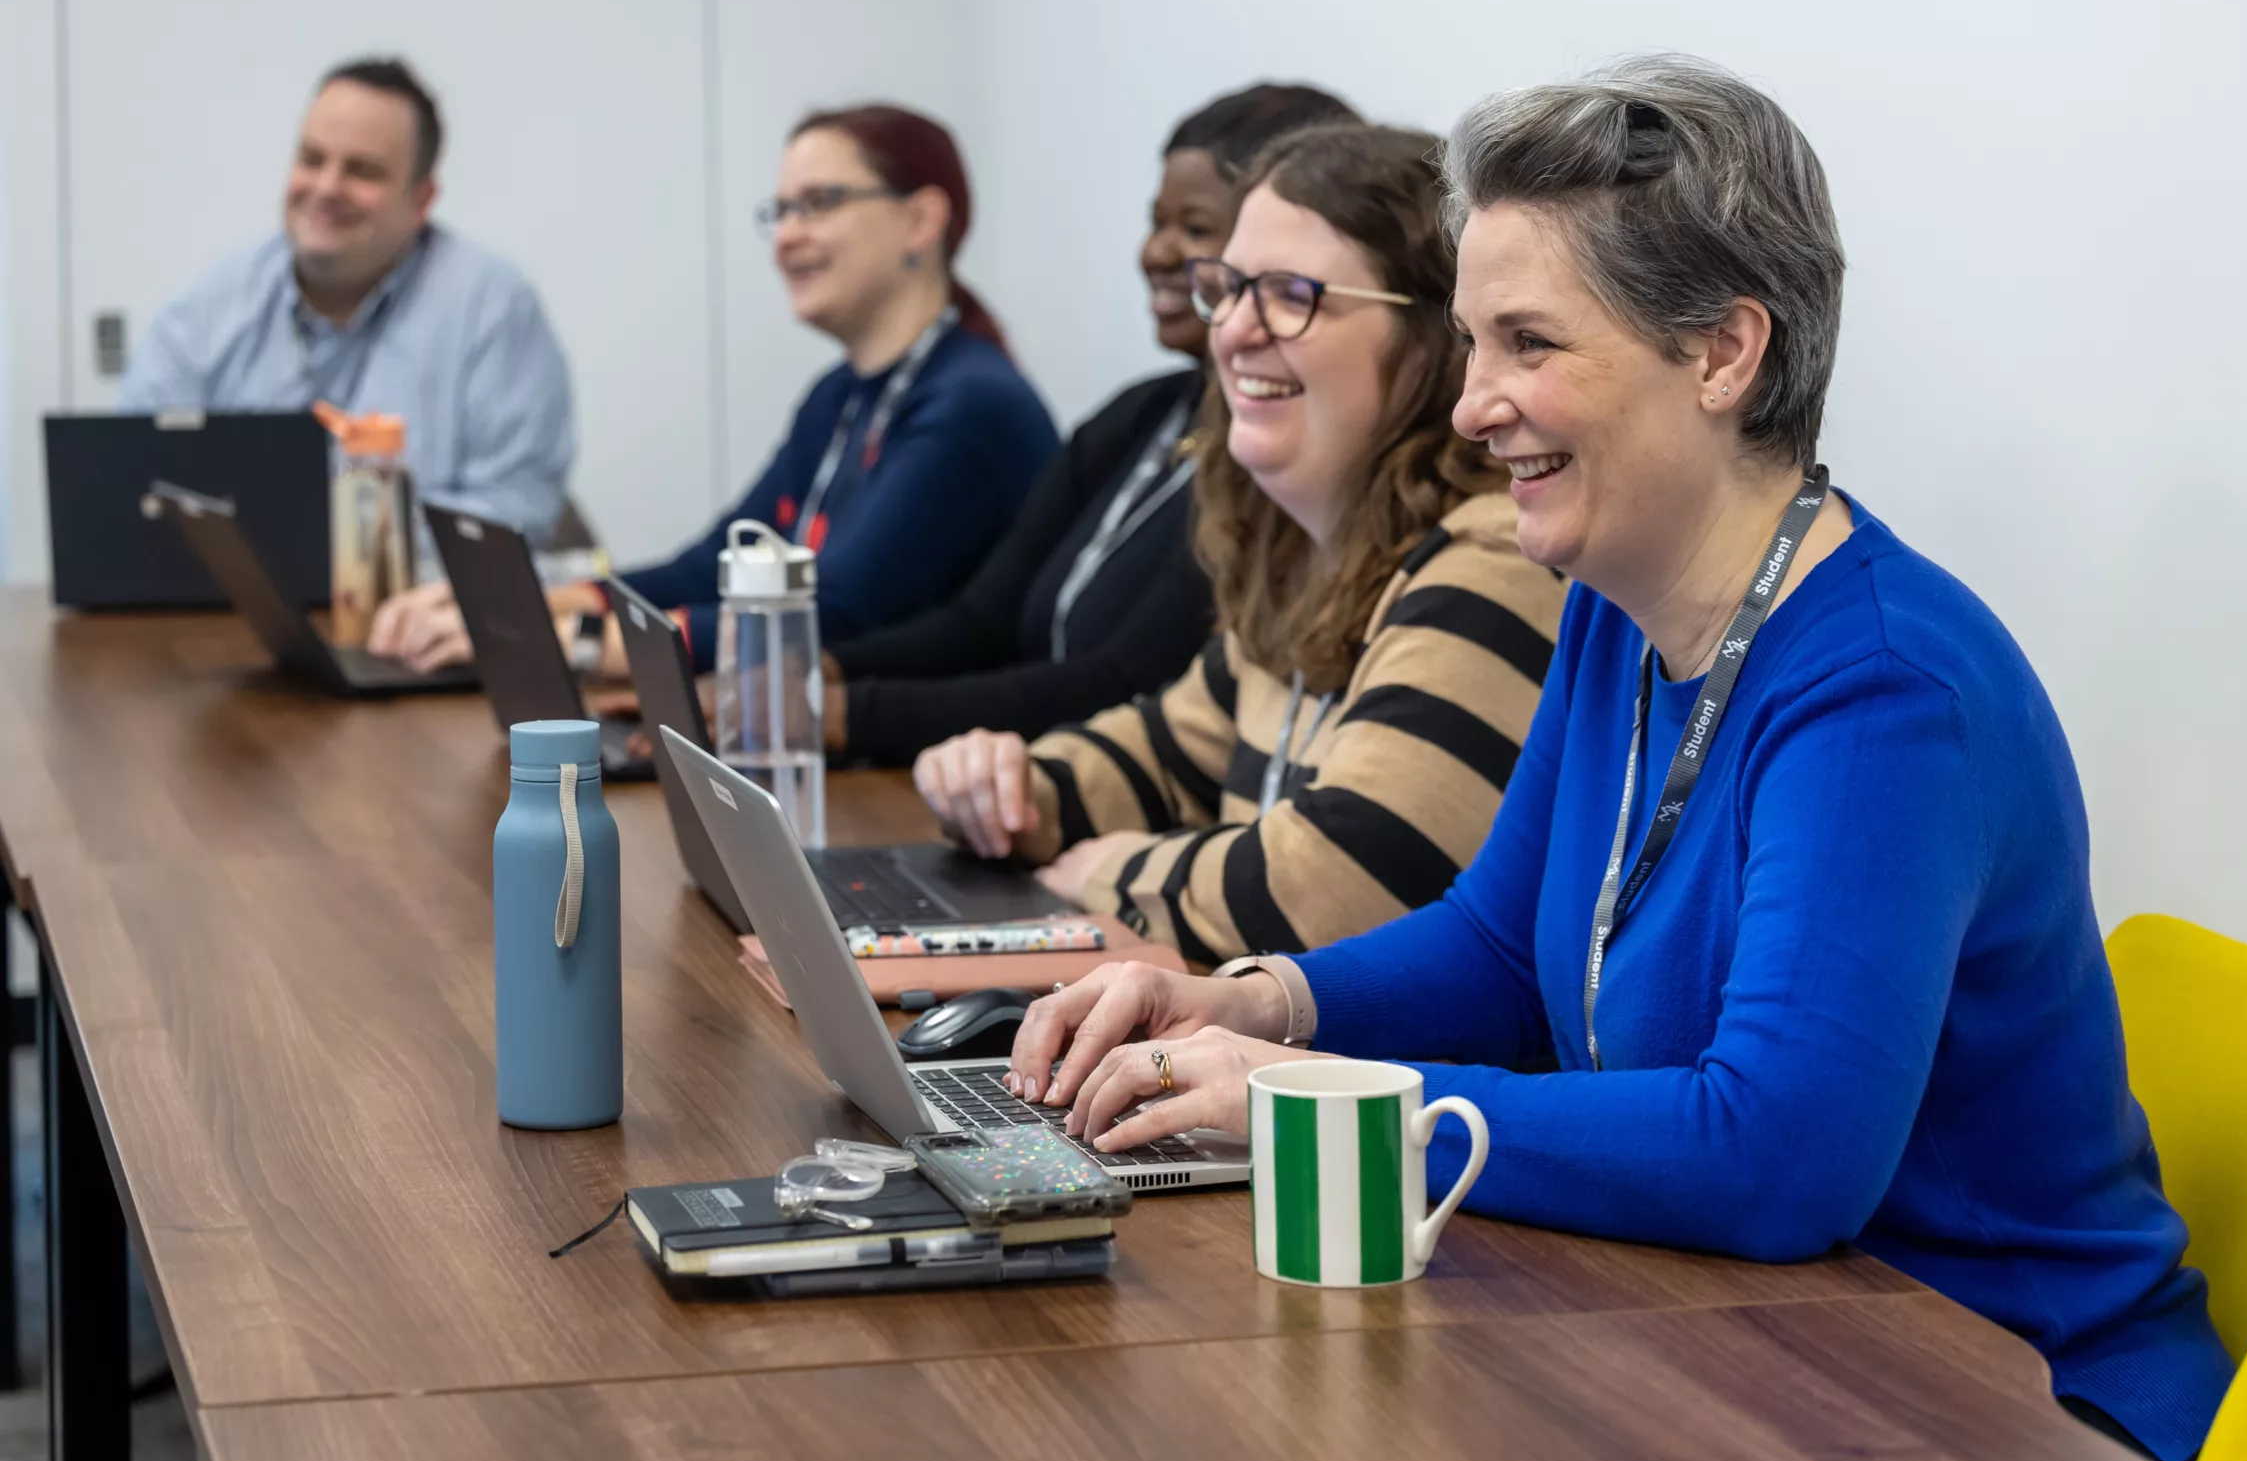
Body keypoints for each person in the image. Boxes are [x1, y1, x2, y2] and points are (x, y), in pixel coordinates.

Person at [1001, 58, 2236, 1461]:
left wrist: (1333, 1098)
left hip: (2005, 1419)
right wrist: (1254, 999)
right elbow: (1503, 947)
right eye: (1470, 343)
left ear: (1724, 353)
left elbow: (1774, 1156)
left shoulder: (1885, 690)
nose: (1471, 406)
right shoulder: (1617, 600)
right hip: (1748, 1351)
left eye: (1529, 342)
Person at [913, 124, 1568, 968]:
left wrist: (1111, 874)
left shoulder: (1496, 557)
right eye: (1230, 287)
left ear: (1434, 340)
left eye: (1293, 293)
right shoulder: (1308, 554)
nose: (1234, 332)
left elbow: (1335, 884)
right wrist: (1012, 789)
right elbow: (1167, 749)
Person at [372, 103, 1053, 673]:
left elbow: (832, 617)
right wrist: (529, 604)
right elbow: (708, 570)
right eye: (780, 210)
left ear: (922, 221)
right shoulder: (838, 397)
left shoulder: (972, 407)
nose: (786, 236)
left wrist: (565, 645)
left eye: (820, 203)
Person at [818, 83, 1357, 765]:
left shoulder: (1276, 455)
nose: (1155, 252)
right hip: (1029, 788)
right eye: (1156, 221)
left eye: (1195, 229)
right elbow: (982, 622)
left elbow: (1124, 685)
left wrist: (846, 714)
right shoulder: (1140, 413)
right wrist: (819, 674)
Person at [120, 56, 575, 543]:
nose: (327, 188)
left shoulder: (494, 310)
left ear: (421, 200)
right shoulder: (206, 311)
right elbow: (135, 485)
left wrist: (346, 562)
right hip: (227, 614)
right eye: (312, 159)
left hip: (417, 610)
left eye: (363, 171)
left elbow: (512, 512)